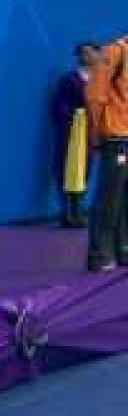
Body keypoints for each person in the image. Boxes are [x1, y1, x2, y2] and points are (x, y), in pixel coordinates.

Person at [85, 35, 128, 271]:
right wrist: (96, 132)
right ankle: (100, 254)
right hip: (117, 137)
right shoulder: (114, 52)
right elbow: (94, 96)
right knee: (109, 197)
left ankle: (123, 249)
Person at [51, 43, 97, 228]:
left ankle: (78, 211)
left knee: (84, 170)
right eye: (83, 53)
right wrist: (72, 117)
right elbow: (58, 105)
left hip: (89, 133)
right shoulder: (70, 79)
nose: (88, 56)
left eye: (91, 53)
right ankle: (66, 212)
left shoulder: (100, 81)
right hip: (72, 132)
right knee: (65, 169)